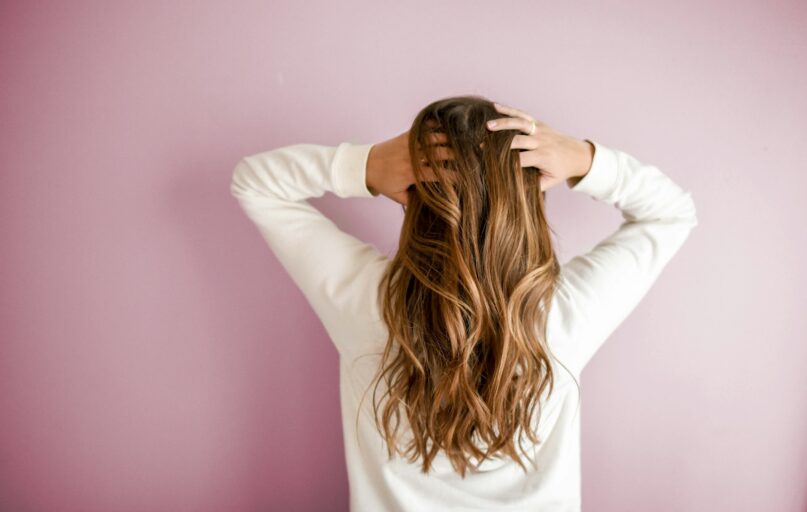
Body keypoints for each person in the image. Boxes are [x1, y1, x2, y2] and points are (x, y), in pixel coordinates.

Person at [229, 95, 698, 511]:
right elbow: (672, 213)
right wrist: (584, 159)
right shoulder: (562, 316)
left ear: (413, 195)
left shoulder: (368, 303)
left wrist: (366, 165)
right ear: (526, 201)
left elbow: (254, 183)